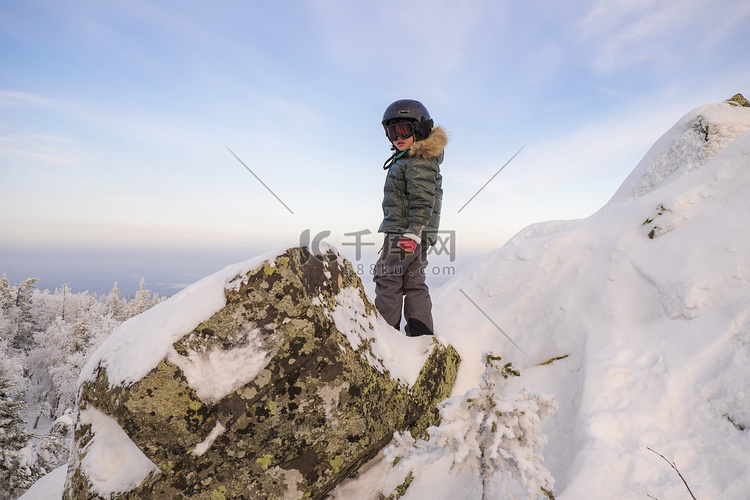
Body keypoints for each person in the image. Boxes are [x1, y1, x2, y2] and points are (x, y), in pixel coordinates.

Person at [374, 99, 448, 337]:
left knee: (388, 278)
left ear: (420, 128)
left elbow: (422, 200)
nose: (397, 136)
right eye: (391, 131)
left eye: (403, 129)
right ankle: (421, 336)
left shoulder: (416, 160)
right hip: (418, 234)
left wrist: (412, 232)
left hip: (405, 233)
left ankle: (386, 335)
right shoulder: (415, 159)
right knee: (414, 283)